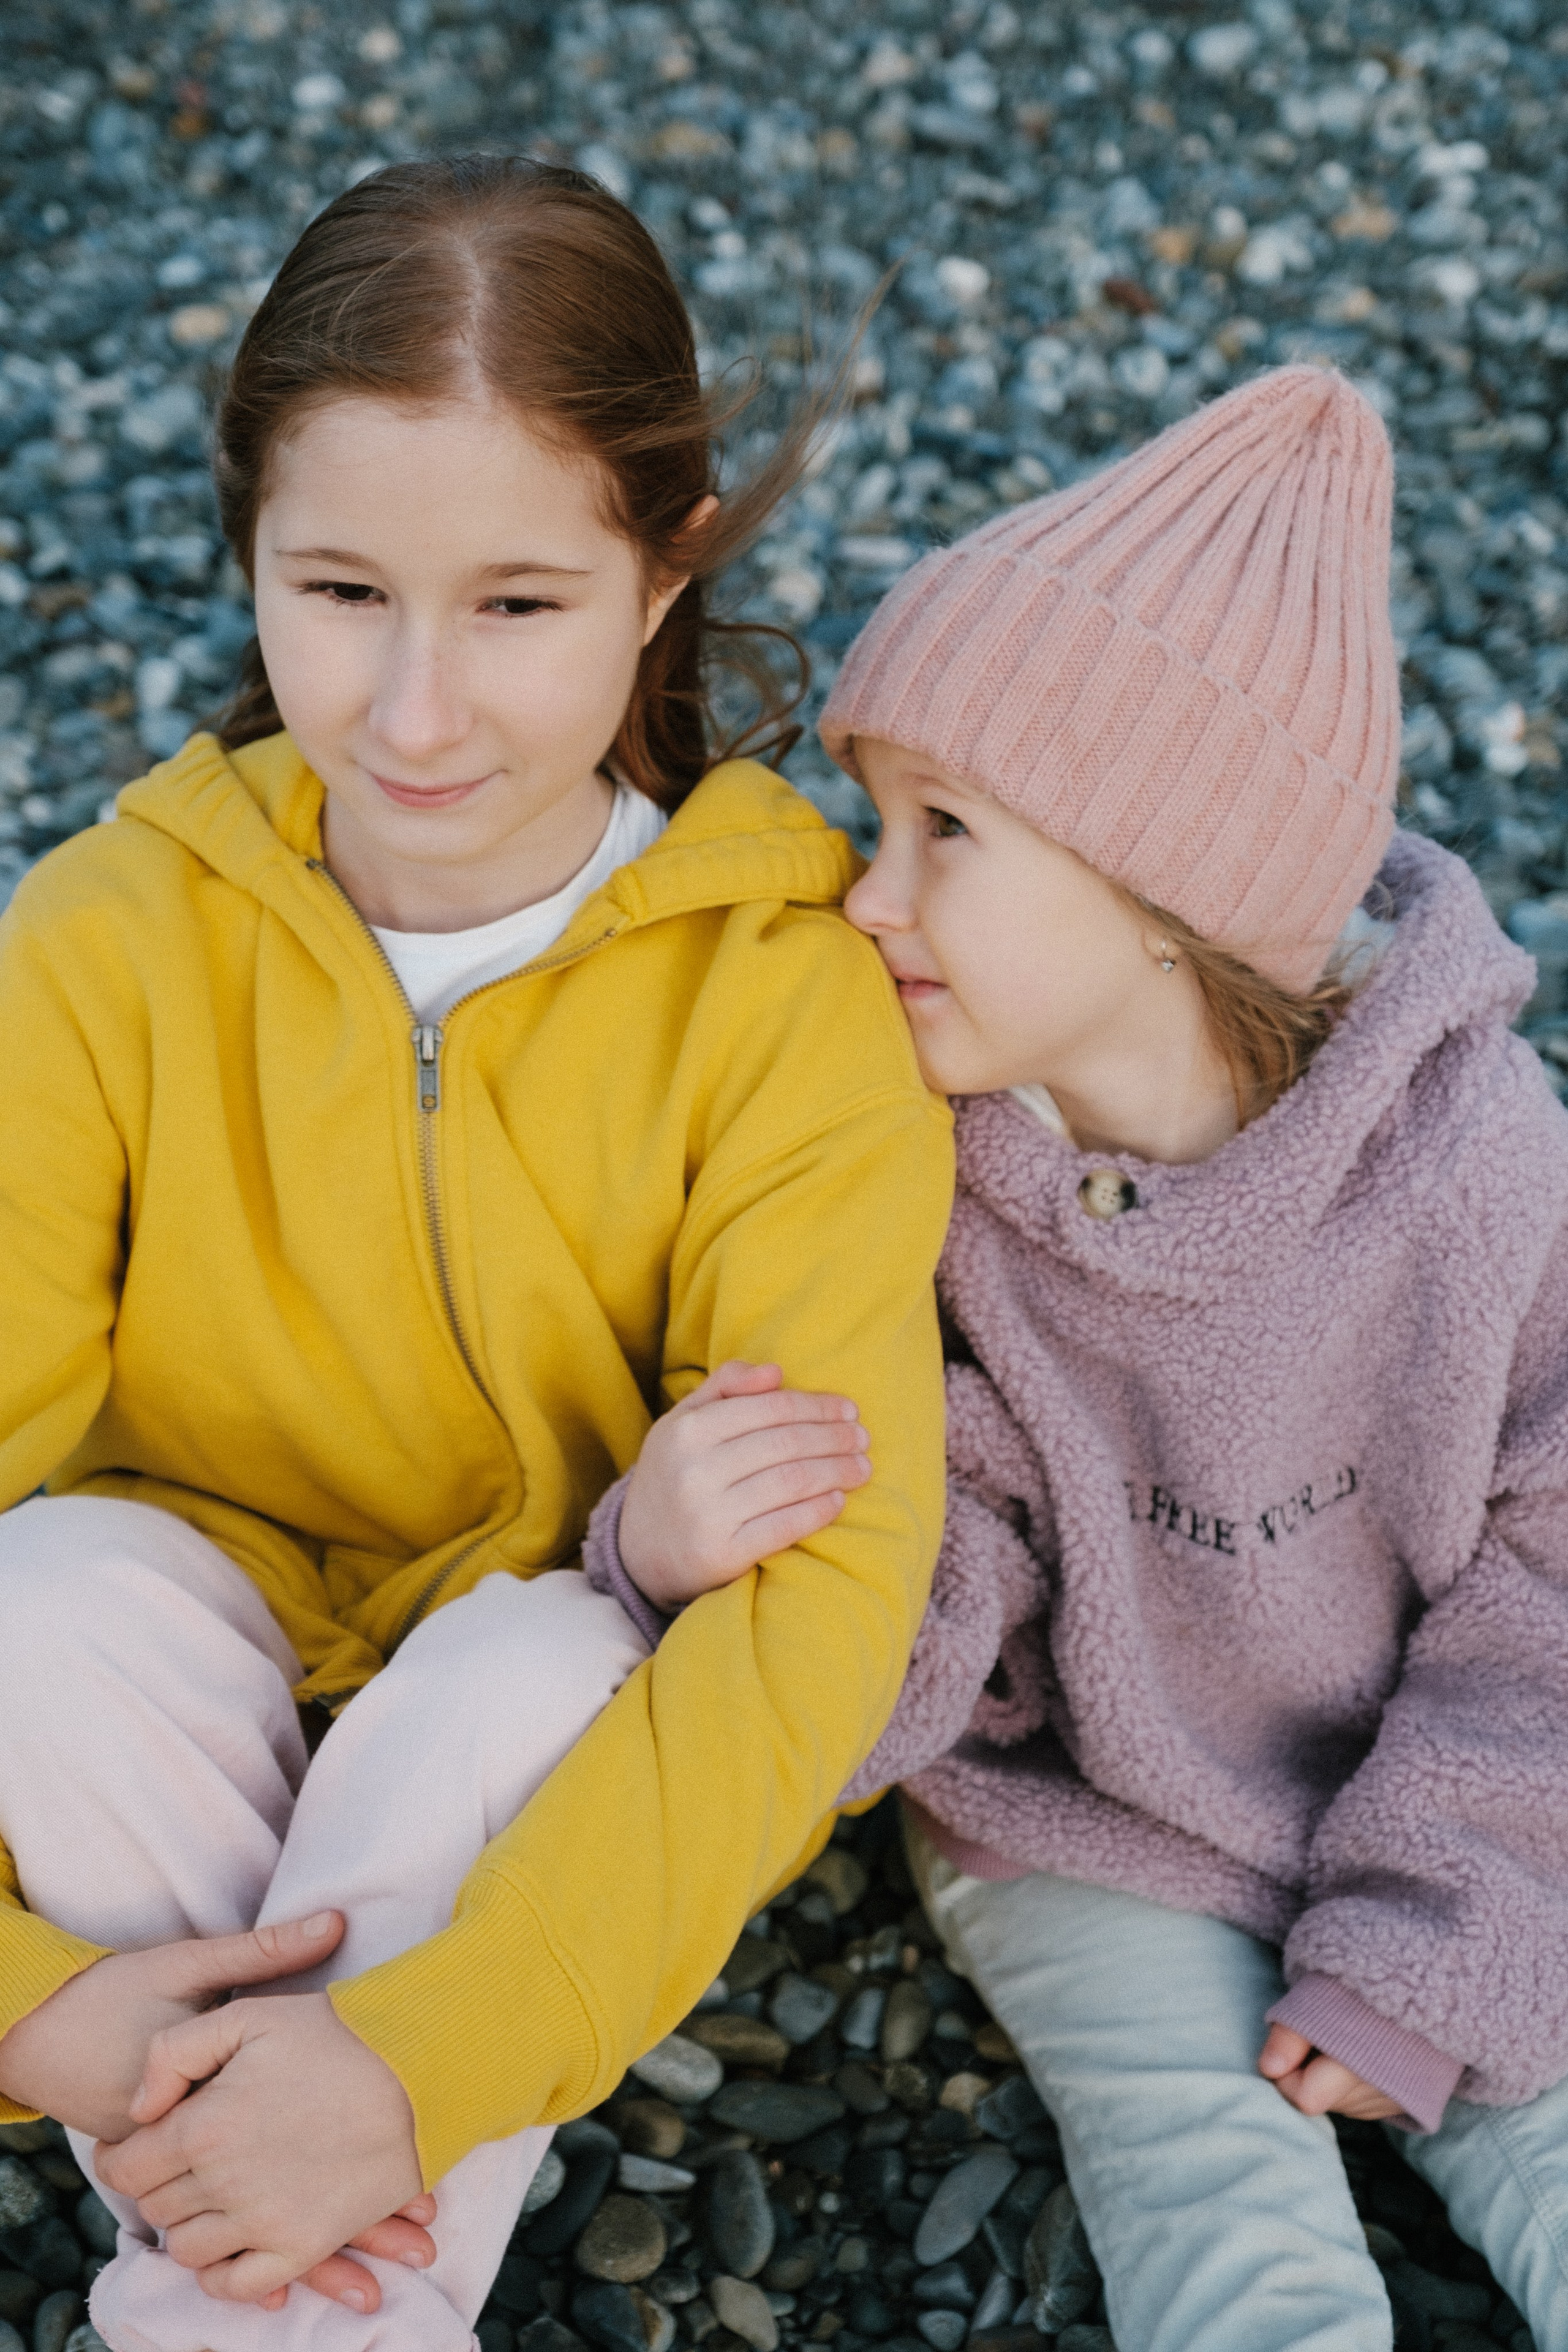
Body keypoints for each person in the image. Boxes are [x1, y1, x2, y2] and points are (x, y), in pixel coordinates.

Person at [0, 156, 955, 2352]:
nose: (415, 716)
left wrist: (423, 2059)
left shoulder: (783, 996)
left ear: (662, 567)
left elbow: (815, 1614)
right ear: (246, 545)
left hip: (543, 1686)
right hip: (166, 1669)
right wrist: (43, 2013)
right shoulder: (102, 943)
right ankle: (303, 2259)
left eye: (516, 606)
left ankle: (247, 2285)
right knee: (40, 1604)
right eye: (341, 592)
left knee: (529, 1677)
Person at [587, 368, 1568, 2352]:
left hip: (1455, 1777)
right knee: (1213, 2190)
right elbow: (905, 1568)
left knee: (1539, 2107)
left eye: (945, 830)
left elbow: (1548, 1585)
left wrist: (1433, 1946)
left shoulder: (1478, 1172)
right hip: (1081, 1813)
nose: (871, 895)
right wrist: (664, 1570)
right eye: (879, 818)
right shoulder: (908, 1162)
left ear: (1169, 893)